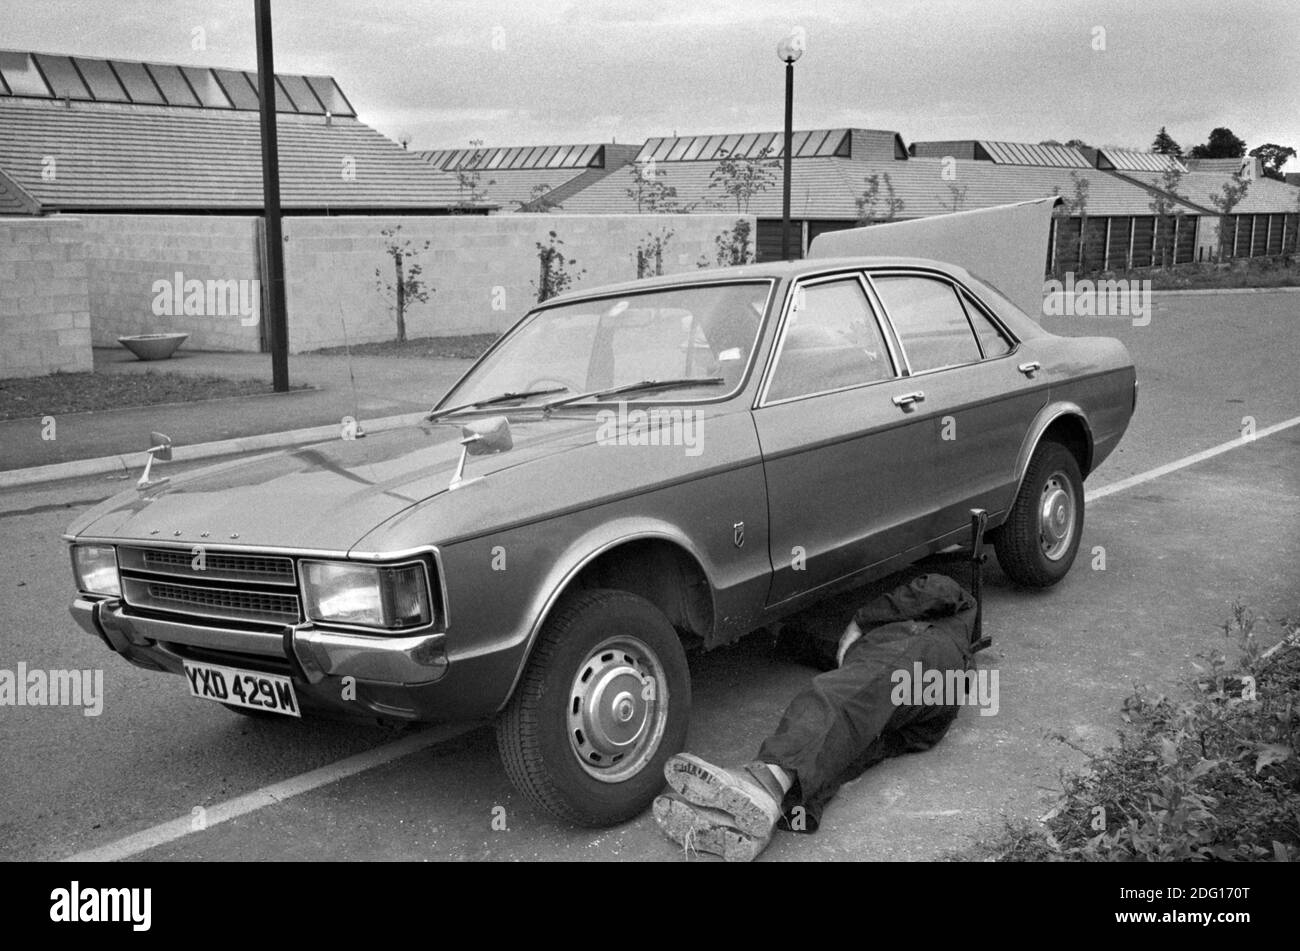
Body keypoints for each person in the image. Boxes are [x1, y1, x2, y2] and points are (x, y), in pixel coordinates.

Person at [653, 573, 980, 861]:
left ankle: (765, 781)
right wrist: (783, 639)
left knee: (831, 697)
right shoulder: (922, 665)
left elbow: (935, 588)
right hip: (940, 700)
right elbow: (881, 736)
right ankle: (776, 811)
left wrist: (860, 621)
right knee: (856, 734)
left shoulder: (947, 614)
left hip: (923, 646)